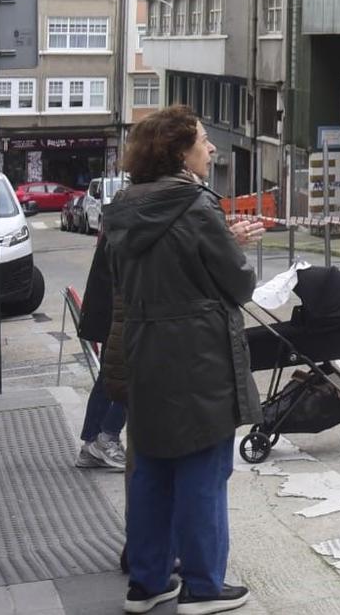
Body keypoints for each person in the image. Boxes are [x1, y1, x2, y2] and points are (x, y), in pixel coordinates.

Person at [106, 106, 264, 615]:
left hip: (145, 347)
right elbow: (236, 283)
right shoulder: (196, 206)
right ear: (179, 152)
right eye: (202, 140)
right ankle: (204, 585)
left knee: (151, 467)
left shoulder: (123, 207)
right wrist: (233, 247)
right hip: (198, 352)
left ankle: (148, 582)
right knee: (203, 470)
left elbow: (145, 271)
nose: (211, 147)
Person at [74, 226, 127, 470]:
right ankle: (106, 437)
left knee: (110, 375)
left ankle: (93, 442)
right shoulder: (138, 213)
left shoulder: (122, 212)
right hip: (123, 313)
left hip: (110, 310)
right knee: (131, 375)